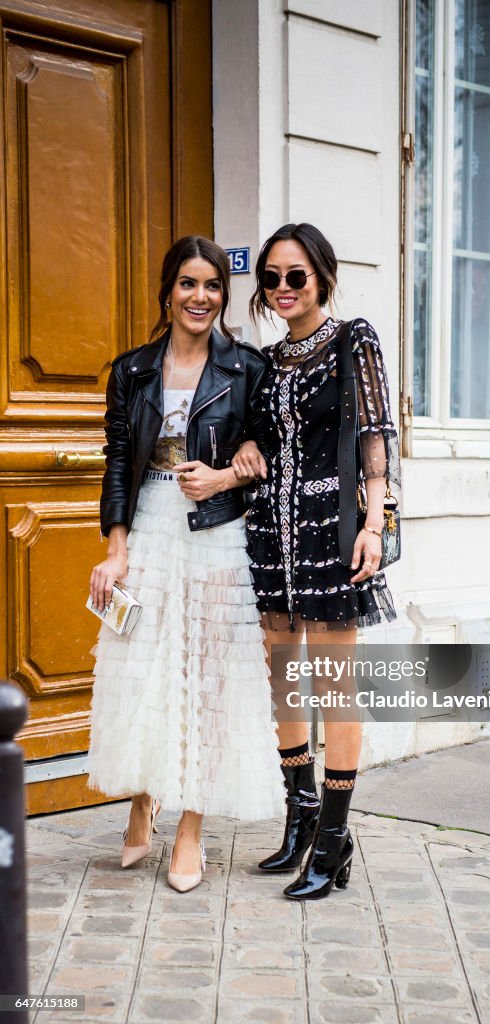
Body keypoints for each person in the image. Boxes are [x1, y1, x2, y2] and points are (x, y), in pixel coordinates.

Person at [87, 235, 283, 893]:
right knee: (138, 668)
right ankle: (146, 795)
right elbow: (119, 462)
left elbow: (268, 462)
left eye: (211, 286)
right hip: (148, 526)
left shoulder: (246, 369)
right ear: (168, 292)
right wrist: (116, 550)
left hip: (214, 534)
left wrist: (225, 477)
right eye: (187, 285)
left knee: (206, 679)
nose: (200, 297)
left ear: (222, 296)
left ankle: (191, 829)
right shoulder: (132, 371)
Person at [233, 222, 400, 900]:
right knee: (283, 684)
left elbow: (376, 438)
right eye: (269, 277)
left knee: (332, 685)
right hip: (272, 539)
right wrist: (244, 449)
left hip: (332, 538)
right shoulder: (265, 362)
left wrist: (375, 525)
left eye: (293, 276)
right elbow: (255, 442)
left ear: (320, 277)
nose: (280, 289)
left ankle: (333, 837)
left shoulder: (354, 339)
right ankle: (299, 817)